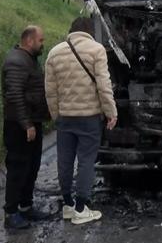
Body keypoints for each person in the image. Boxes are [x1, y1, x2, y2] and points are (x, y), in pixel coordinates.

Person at [45, 17, 117, 225]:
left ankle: (67, 204)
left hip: (65, 117)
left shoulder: (54, 52)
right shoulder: (96, 50)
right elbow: (104, 85)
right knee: (86, 161)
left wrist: (56, 115)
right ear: (88, 31)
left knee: (65, 161)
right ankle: (80, 208)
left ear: (71, 30)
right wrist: (111, 112)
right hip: (89, 118)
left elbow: (50, 91)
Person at [0, 25, 51, 230]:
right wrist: (27, 124)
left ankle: (26, 206)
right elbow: (14, 96)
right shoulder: (16, 61)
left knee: (32, 167)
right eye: (40, 40)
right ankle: (11, 214)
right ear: (29, 40)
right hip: (18, 126)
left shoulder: (29, 60)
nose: (42, 44)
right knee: (18, 168)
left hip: (32, 123)